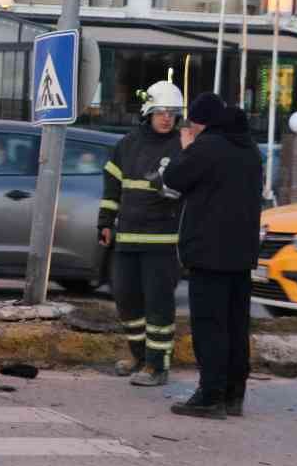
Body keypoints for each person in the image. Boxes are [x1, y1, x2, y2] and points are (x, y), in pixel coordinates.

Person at [158, 94, 263, 419]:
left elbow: (173, 178)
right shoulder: (250, 149)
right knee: (235, 325)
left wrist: (188, 146)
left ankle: (210, 394)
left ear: (201, 123)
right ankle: (234, 394)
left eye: (192, 124)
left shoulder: (207, 147)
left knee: (210, 325)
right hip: (241, 254)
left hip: (208, 251)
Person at [98, 81, 187, 387]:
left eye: (173, 113)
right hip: (128, 239)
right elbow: (112, 187)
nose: (167, 118)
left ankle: (157, 365)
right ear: (148, 112)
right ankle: (138, 356)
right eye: (161, 112)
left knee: (159, 305)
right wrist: (105, 222)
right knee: (127, 300)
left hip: (163, 243)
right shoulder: (128, 144)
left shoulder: (182, 146)